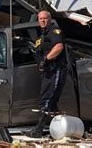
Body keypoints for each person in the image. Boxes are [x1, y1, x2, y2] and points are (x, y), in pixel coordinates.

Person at [25, 10, 67, 138]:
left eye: (45, 18)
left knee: (47, 100)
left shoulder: (54, 31)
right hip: (48, 72)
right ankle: (61, 130)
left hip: (56, 70)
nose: (42, 21)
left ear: (50, 19)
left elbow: (59, 46)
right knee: (52, 103)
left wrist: (46, 59)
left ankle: (38, 130)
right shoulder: (41, 36)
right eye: (40, 19)